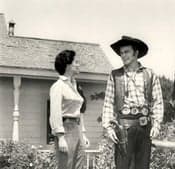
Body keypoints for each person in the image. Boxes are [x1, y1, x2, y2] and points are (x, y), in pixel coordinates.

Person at [102, 36, 164, 169]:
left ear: (136, 53)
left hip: (144, 127)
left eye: (127, 52)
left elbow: (157, 101)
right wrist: (108, 127)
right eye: (121, 53)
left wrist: (157, 124)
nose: (123, 55)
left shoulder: (150, 74)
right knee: (122, 166)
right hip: (123, 128)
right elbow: (108, 102)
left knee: (143, 166)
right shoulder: (115, 75)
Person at [50, 50, 90, 169]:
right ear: (68, 65)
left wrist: (83, 134)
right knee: (66, 165)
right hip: (65, 129)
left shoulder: (75, 86)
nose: (78, 65)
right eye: (76, 62)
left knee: (80, 164)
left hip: (77, 129)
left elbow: (79, 113)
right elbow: (55, 113)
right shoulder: (58, 86)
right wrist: (61, 137)